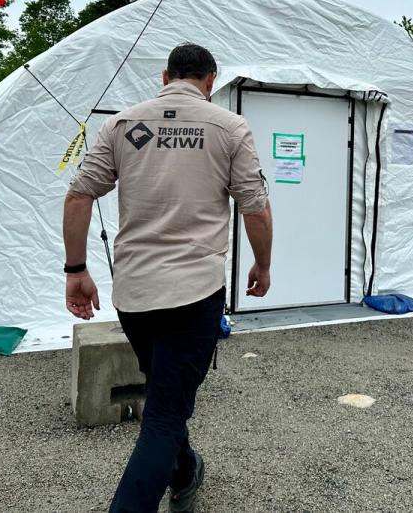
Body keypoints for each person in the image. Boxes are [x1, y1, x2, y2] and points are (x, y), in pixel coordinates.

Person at [62, 42, 273, 513]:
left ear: (165, 77)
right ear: (211, 81)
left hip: (134, 295)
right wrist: (262, 264)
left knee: (165, 391)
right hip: (194, 294)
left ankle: (185, 470)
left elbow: (78, 197)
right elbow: (254, 206)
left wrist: (76, 270)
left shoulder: (122, 124)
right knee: (164, 414)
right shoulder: (229, 128)